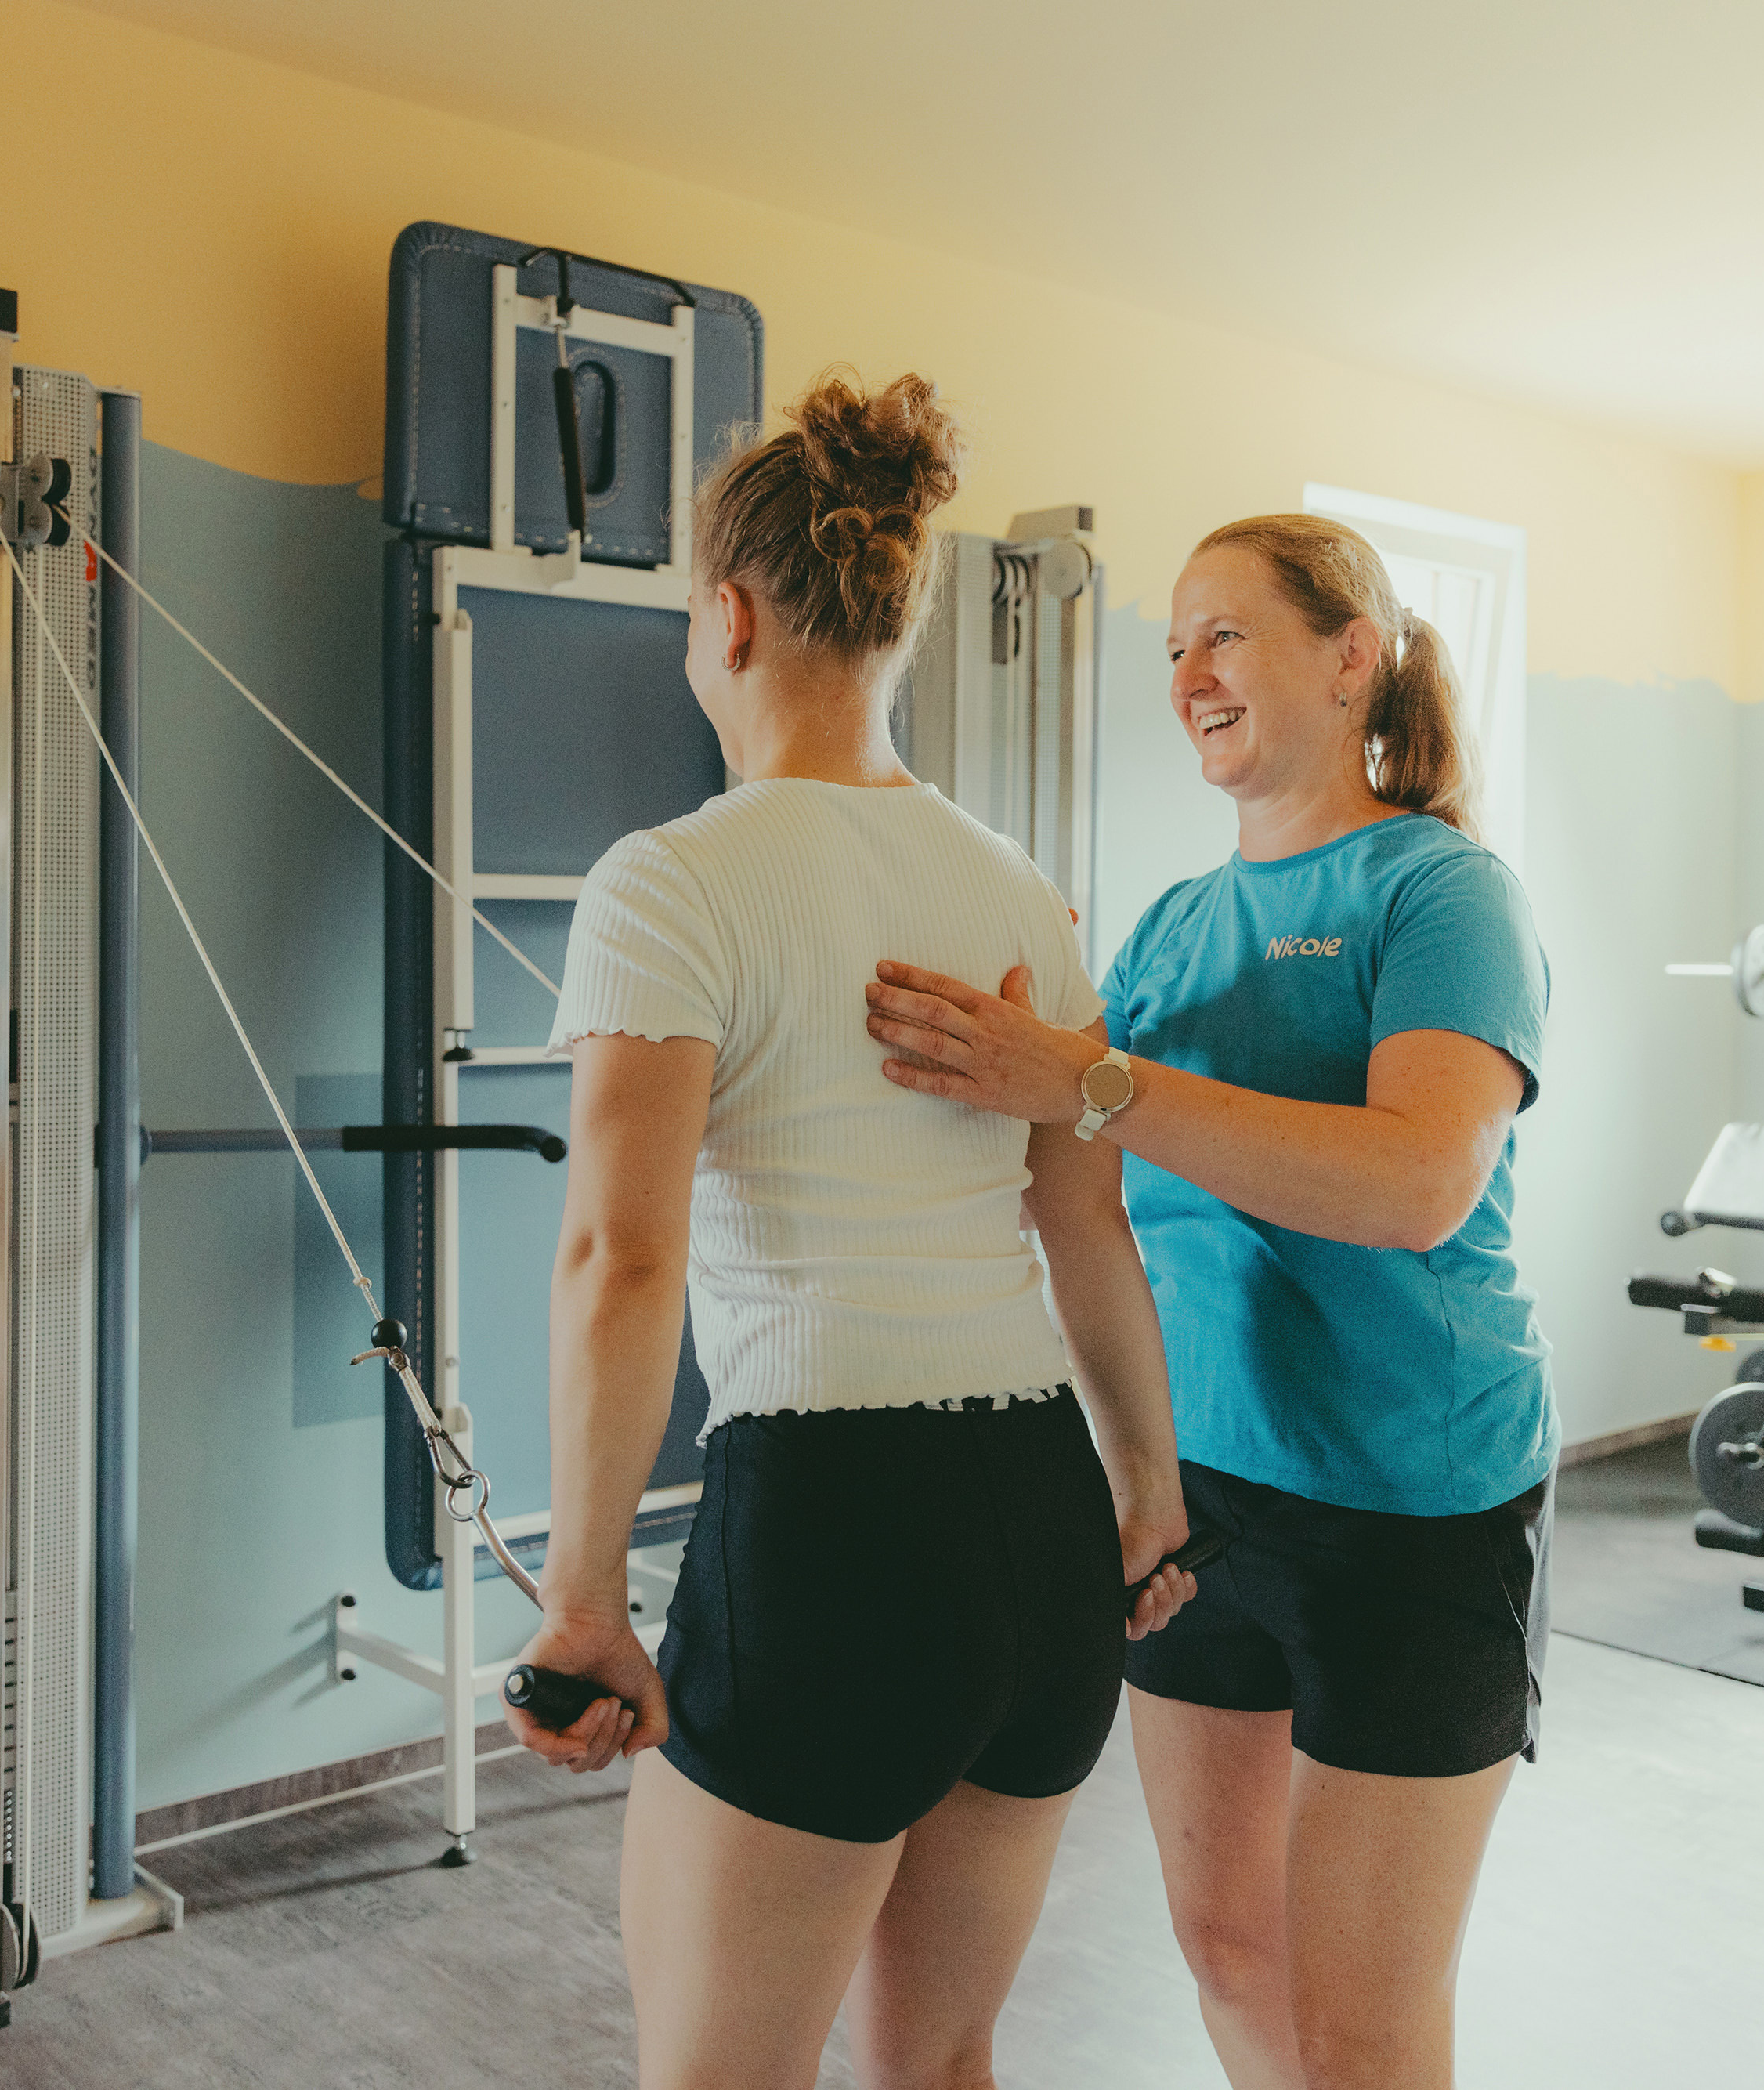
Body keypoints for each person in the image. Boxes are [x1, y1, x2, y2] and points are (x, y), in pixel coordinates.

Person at [503, 369, 1200, 2090]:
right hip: (1040, 1517)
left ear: (726, 617)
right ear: (892, 624)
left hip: (833, 1529)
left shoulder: (669, 881)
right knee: (943, 2055)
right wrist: (1148, 1494)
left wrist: (580, 1600)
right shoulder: (1012, 886)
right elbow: (1087, 1228)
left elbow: (622, 1256)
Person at [859, 512, 1552, 2090]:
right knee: (1229, 1941)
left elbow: (1412, 1182)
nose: (1186, 673)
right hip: (1200, 1497)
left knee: (1366, 2024)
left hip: (1413, 1504)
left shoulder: (1437, 892)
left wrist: (1093, 1078)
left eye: (1222, 633)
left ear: (1349, 655)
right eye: (1171, 645)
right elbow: (1080, 1173)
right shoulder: (1173, 923)